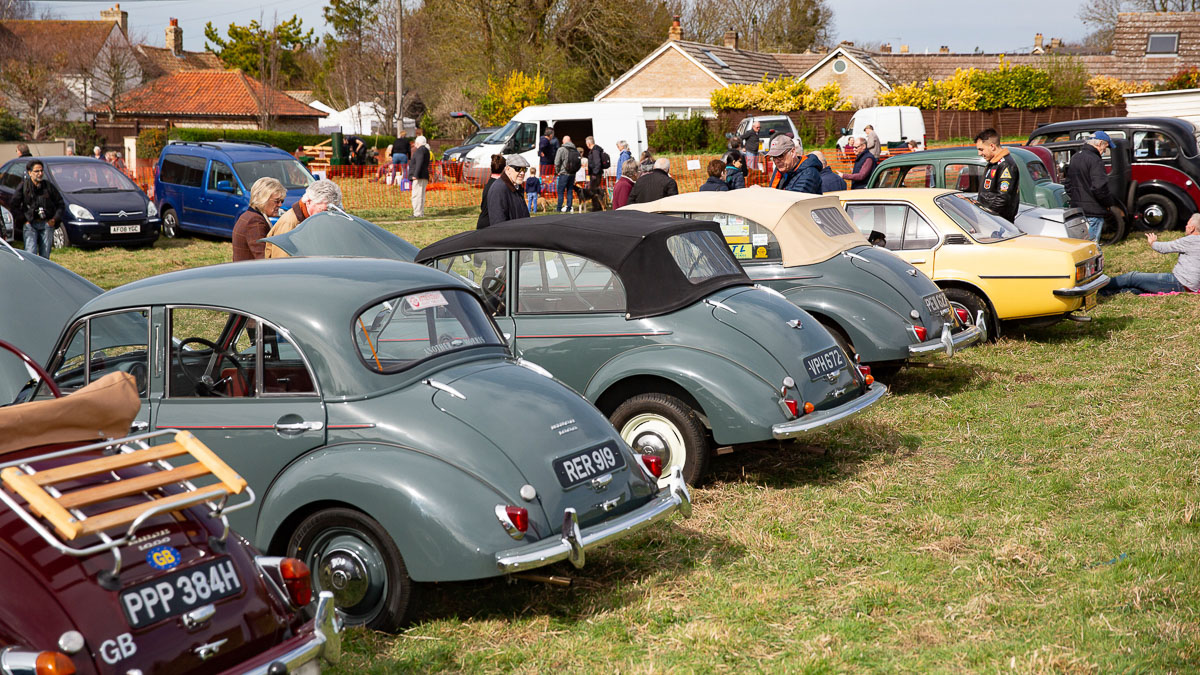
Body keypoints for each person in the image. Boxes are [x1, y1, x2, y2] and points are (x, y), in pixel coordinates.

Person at [1102, 214, 1200, 295]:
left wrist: (1152, 242)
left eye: (1187, 224)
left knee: (1132, 277)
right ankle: (1104, 293)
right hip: (1189, 285)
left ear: (1192, 228)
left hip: (1179, 283)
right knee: (1134, 289)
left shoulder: (1190, 240)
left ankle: (1098, 286)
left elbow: (1164, 248)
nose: (1185, 227)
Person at [1064, 131, 1123, 243]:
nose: (1105, 150)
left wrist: (1077, 199)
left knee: (1080, 247)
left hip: (1077, 211)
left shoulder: (1075, 157)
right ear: (1100, 143)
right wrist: (1108, 203)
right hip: (1094, 212)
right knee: (1092, 247)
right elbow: (1099, 188)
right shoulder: (1095, 160)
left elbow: (1068, 185)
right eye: (1106, 146)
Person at [264, 179, 343, 259]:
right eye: (323, 210)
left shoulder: (311, 219)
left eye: (332, 210)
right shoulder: (289, 223)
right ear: (308, 202)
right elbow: (282, 263)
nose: (327, 215)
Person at [10, 159, 64, 258]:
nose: (40, 173)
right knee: (30, 254)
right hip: (30, 225)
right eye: (36, 171)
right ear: (30, 173)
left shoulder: (48, 186)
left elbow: (60, 204)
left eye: (41, 171)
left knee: (45, 256)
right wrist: (24, 220)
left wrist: (54, 219)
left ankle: (43, 273)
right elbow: (13, 205)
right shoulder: (23, 187)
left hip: (47, 225)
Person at [232, 177, 286, 261]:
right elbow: (263, 258)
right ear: (263, 199)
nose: (280, 205)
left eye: (282, 201)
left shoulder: (248, 216)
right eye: (277, 201)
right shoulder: (255, 222)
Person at [974, 127, 1020, 223]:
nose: (979, 153)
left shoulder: (1005, 165)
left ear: (992, 146)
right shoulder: (994, 163)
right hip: (993, 220)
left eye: (981, 149)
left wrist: (988, 217)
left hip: (999, 222)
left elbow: (1002, 197)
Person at [484, 154, 530, 227]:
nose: (522, 173)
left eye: (524, 169)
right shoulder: (498, 189)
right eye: (518, 169)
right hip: (509, 237)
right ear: (508, 169)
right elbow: (498, 223)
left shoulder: (517, 187)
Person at [477, 154, 506, 229]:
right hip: (491, 226)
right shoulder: (501, 186)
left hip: (483, 223)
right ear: (504, 169)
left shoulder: (489, 184)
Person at [554, 135, 579, 212]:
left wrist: (557, 171)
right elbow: (578, 162)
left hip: (563, 173)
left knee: (561, 191)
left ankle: (558, 208)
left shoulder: (561, 149)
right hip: (572, 174)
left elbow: (557, 162)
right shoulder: (575, 150)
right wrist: (575, 171)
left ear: (563, 141)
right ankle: (569, 207)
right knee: (569, 190)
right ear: (570, 141)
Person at [408, 135, 431, 217]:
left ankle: (417, 213)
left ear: (417, 143)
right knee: (421, 195)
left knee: (416, 195)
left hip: (419, 176)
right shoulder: (426, 150)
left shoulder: (420, 151)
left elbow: (419, 162)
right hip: (423, 175)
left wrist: (416, 175)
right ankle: (420, 213)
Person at [584, 136, 608, 211]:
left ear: (588, 143)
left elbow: (597, 163)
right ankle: (597, 206)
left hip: (595, 175)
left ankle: (597, 207)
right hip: (595, 174)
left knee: (594, 191)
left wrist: (594, 174)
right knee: (594, 191)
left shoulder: (595, 151)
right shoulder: (595, 150)